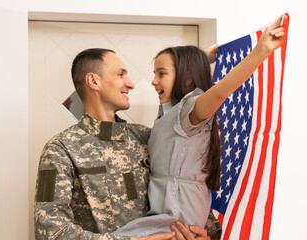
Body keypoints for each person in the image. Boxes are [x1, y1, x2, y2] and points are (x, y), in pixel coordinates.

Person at [114, 15, 287, 238]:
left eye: (162, 74)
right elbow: (167, 122)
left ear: (187, 78)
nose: (154, 81)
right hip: (171, 221)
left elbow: (221, 91)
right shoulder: (168, 115)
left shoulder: (188, 112)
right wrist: (200, 58)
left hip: (172, 223)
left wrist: (260, 52)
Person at [34, 47, 222, 240]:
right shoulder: (61, 150)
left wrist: (206, 235)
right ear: (94, 81)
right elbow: (50, 233)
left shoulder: (146, 137)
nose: (131, 84)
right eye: (121, 74)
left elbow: (185, 193)